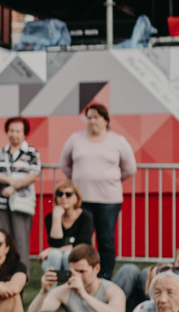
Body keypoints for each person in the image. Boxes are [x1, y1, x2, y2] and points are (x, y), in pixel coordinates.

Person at [56, 100, 137, 279]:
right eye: (89, 117)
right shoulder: (75, 139)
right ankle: (80, 274)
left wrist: (110, 179)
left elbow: (130, 168)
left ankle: (105, 275)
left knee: (105, 240)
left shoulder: (118, 141)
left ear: (106, 120)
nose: (92, 121)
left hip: (109, 200)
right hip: (82, 198)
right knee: (82, 239)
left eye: (96, 117)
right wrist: (79, 180)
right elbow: (65, 164)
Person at [0, 117, 40, 263]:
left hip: (22, 202)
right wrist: (9, 180)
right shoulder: (0, 152)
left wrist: (14, 187)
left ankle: (22, 275)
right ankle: (5, 273)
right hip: (1, 201)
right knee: (3, 238)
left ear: (24, 133)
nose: (14, 134)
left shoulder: (31, 152)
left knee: (21, 239)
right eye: (11, 130)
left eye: (18, 131)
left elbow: (33, 175)